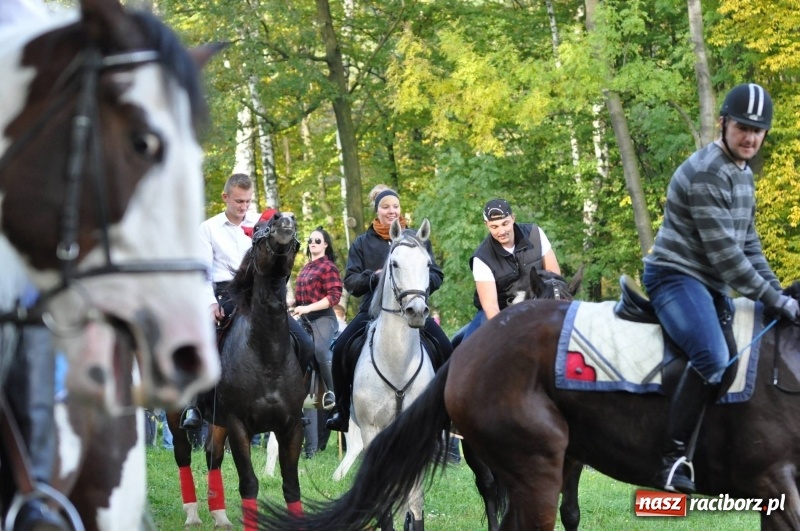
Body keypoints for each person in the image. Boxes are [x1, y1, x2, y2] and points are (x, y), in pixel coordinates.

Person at [642, 83, 799, 494]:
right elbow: (727, 257)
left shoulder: (743, 174)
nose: (750, 137)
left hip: (707, 282)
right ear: (724, 123)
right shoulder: (709, 172)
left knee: (737, 356)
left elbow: (749, 245)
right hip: (674, 276)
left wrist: (777, 292)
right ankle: (671, 459)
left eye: (758, 130)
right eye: (743, 127)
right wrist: (774, 298)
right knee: (712, 356)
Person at [180, 173, 311, 429]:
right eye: (239, 201)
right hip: (227, 295)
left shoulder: (263, 224)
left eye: (248, 201)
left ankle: (295, 401)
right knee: (204, 343)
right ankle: (196, 404)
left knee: (305, 343)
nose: (244, 207)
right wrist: (210, 303)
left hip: (262, 296)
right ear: (225, 197)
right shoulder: (208, 228)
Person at [326, 185, 453, 432]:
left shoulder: (418, 240)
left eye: (395, 206)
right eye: (385, 207)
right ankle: (341, 410)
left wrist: (418, 286)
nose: (391, 211)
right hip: (372, 311)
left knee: (446, 348)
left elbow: (436, 274)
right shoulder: (362, 243)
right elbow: (351, 281)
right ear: (377, 211)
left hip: (413, 308)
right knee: (341, 348)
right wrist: (374, 277)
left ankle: (448, 409)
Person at [460, 198, 562, 341]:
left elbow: (553, 275)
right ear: (486, 225)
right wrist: (508, 333)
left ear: (513, 218)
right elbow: (491, 306)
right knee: (469, 347)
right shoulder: (481, 258)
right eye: (494, 227)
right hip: (500, 311)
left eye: (505, 223)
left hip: (538, 303)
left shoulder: (535, 234)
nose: (501, 231)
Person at [292, 227, 343, 457]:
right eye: (310, 240)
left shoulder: (328, 267)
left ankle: (334, 394)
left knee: (321, 351)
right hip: (304, 320)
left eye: (317, 240)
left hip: (323, 319)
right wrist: (291, 306)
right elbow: (300, 300)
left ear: (325, 245)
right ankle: (310, 449)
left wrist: (308, 308)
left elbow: (334, 297)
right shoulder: (305, 268)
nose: (313, 242)